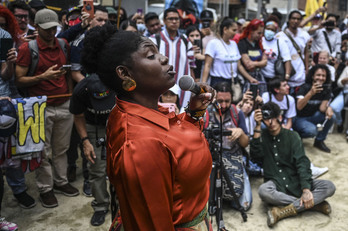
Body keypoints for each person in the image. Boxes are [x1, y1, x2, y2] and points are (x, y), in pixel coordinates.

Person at [81, 25, 215, 230]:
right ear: (124, 73)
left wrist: (193, 114)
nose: (163, 58)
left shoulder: (143, 110)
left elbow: (174, 143)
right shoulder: (140, 145)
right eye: (151, 55)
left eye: (158, 52)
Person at [15, 9, 78, 208]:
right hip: (40, 108)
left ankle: (61, 182)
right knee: (42, 152)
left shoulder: (63, 44)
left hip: (63, 104)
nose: (51, 33)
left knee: (62, 149)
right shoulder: (28, 49)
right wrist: (42, 77)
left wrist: (69, 95)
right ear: (38, 27)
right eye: (47, 29)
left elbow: (67, 72)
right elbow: (19, 79)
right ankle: (45, 188)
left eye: (54, 28)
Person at [250, 102, 336, 227]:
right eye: (267, 118)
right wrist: (257, 126)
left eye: (274, 117)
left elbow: (302, 162)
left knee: (329, 186)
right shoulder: (262, 137)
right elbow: (255, 155)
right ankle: (314, 205)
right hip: (276, 182)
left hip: (296, 181)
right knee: (263, 191)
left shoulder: (292, 136)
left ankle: (282, 212)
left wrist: (306, 190)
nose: (271, 122)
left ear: (279, 117)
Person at [69, 74, 114, 226]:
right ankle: (101, 206)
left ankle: (122, 205)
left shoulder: (117, 84)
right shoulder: (80, 90)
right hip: (92, 127)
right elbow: (78, 116)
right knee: (96, 168)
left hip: (116, 123)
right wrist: (85, 141)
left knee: (122, 166)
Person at [203, 81, 252, 211]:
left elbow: (245, 143)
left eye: (227, 101)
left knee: (243, 204)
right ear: (213, 99)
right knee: (206, 203)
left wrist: (240, 132)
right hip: (211, 158)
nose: (223, 105)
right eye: (220, 101)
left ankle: (226, 190)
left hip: (233, 156)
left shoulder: (237, 113)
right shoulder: (205, 114)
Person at [149, 7, 195, 110]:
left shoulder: (186, 41)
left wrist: (193, 89)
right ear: (164, 21)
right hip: (159, 88)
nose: (174, 21)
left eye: (176, 19)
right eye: (170, 19)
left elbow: (191, 67)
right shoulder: (154, 40)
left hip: (183, 92)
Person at [201, 17, 253, 102]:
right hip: (217, 82)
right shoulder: (213, 43)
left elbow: (239, 66)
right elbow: (207, 65)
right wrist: (203, 85)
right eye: (233, 30)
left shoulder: (233, 44)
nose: (235, 33)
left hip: (232, 82)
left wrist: (250, 78)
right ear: (225, 29)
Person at [292, 64, 335, 153]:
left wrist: (328, 108)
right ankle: (297, 135)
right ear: (312, 76)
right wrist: (311, 93)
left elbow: (322, 108)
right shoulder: (304, 87)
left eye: (323, 76)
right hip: (299, 118)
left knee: (331, 117)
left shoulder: (326, 89)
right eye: (318, 75)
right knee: (312, 131)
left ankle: (319, 141)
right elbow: (299, 107)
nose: (321, 78)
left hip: (312, 117)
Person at [277, 10, 311, 91]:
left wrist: (307, 69)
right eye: (293, 18)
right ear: (289, 20)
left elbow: (306, 52)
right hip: (286, 77)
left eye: (298, 19)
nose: (296, 21)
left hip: (301, 76)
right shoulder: (280, 36)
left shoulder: (304, 35)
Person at [237, 19, 268, 95]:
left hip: (259, 77)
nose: (261, 36)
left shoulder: (258, 44)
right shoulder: (242, 43)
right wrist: (260, 63)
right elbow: (248, 64)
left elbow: (265, 61)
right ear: (251, 31)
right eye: (259, 33)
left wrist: (254, 63)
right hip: (247, 78)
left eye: (262, 33)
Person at [261, 16, 292, 81]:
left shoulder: (280, 42)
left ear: (276, 31)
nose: (270, 31)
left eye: (272, 30)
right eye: (268, 29)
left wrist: (287, 75)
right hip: (261, 76)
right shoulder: (260, 40)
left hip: (275, 77)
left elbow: (287, 59)